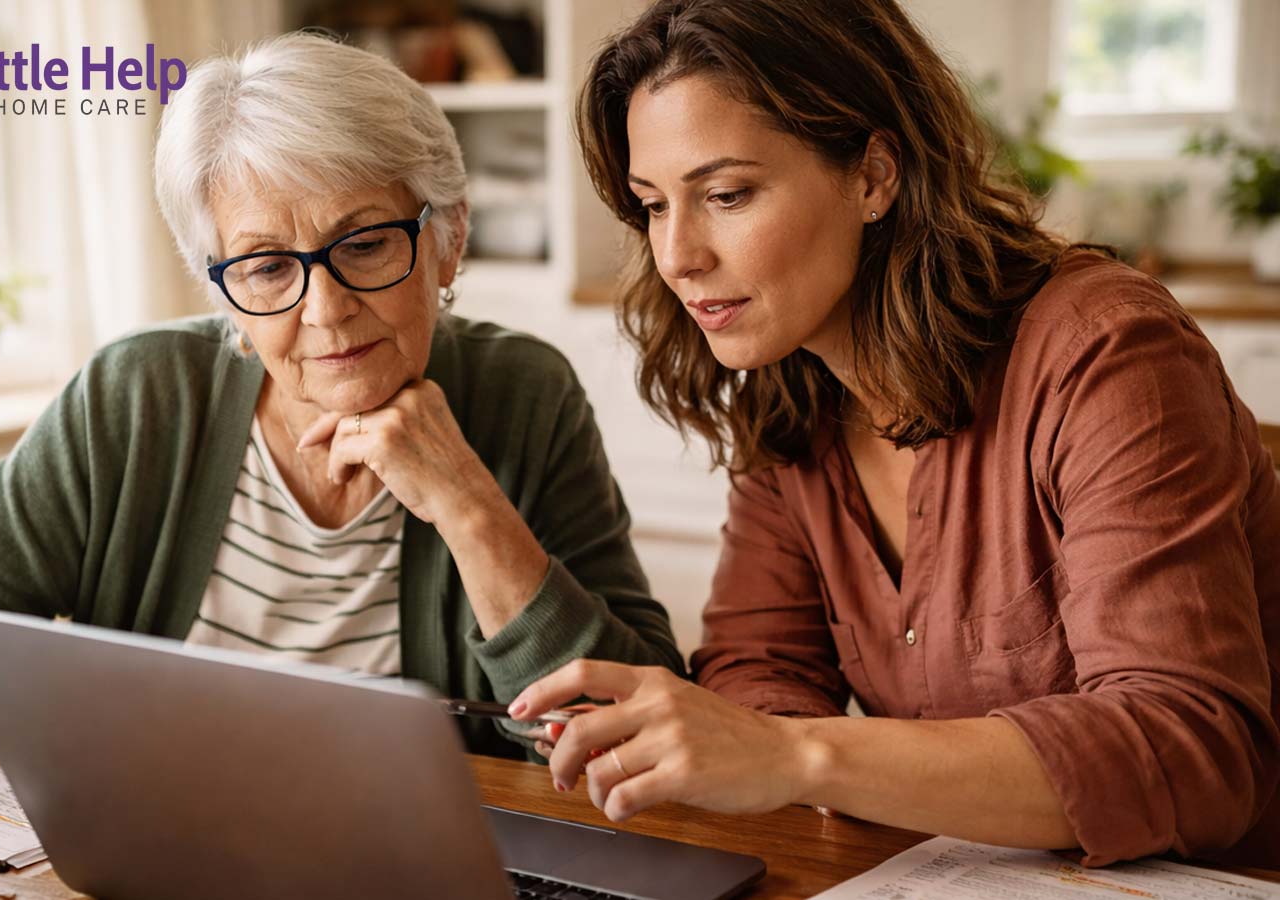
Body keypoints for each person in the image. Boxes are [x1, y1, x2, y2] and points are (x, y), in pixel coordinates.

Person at [509, 0, 1279, 867]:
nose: (677, 254)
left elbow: (1195, 751)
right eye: (652, 206)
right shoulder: (790, 386)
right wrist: (761, 745)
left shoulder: (1106, 354)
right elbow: (757, 669)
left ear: (875, 175)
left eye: (726, 195)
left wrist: (801, 757)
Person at [0, 33, 682, 761]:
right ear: (223, 295)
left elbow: (634, 733)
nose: (324, 310)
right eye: (267, 266)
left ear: (448, 241)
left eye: (363, 244)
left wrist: (469, 508)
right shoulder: (136, 398)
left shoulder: (522, 395)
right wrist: (127, 735)